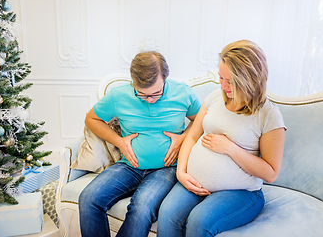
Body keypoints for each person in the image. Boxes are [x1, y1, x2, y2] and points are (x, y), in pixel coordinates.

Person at [157, 40, 286, 237]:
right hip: (195, 181)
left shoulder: (268, 116)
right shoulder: (215, 97)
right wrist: (181, 173)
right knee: (167, 213)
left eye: (230, 81)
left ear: (249, 79)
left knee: (199, 221)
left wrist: (230, 148)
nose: (223, 85)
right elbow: (191, 137)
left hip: (241, 192)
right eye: (221, 77)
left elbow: (271, 173)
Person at [79, 51, 201, 237]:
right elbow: (92, 119)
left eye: (156, 93)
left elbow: (201, 121)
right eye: (142, 95)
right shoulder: (118, 95)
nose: (150, 100)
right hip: (129, 166)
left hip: (166, 168)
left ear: (165, 79)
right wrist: (118, 141)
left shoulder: (183, 93)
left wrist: (183, 137)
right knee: (88, 198)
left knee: (142, 208)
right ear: (133, 81)